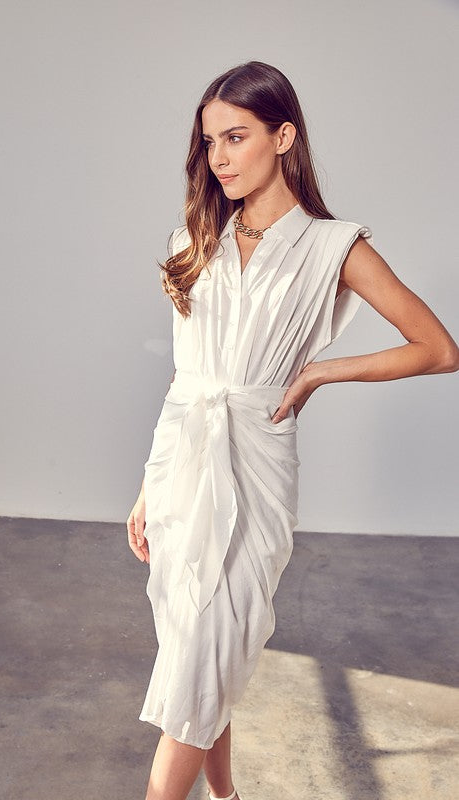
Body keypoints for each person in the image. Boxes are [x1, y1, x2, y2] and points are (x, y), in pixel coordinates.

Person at [126, 60, 459, 800]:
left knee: (209, 648)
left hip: (255, 466)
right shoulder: (195, 234)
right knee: (195, 656)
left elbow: (438, 350)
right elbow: (185, 386)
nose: (217, 156)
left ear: (283, 136)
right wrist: (149, 488)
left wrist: (318, 373)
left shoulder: (333, 245)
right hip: (182, 465)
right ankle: (228, 796)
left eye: (235, 136)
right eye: (208, 140)